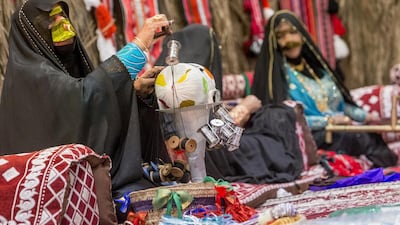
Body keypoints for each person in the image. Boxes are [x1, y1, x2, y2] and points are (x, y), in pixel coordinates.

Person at [0, 0, 172, 198]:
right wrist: (139, 45)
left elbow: (92, 107)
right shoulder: (30, 74)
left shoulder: (62, 69)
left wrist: (134, 92)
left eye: (62, 16)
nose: (61, 23)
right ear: (31, 32)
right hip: (52, 195)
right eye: (49, 18)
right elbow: (83, 100)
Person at [156, 24, 305, 184]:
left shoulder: (162, 82)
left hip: (199, 150)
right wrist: (244, 109)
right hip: (208, 155)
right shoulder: (192, 81)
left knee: (269, 127)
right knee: (270, 137)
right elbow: (208, 136)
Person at [252, 10, 397, 168]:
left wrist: (367, 117)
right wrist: (329, 120)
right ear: (273, 42)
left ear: (302, 35)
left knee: (370, 134)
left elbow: (341, 105)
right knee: (355, 137)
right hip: (310, 136)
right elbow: (285, 119)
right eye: (281, 36)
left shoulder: (319, 71)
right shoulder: (277, 79)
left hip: (338, 130)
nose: (289, 40)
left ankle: (388, 176)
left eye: (293, 32)